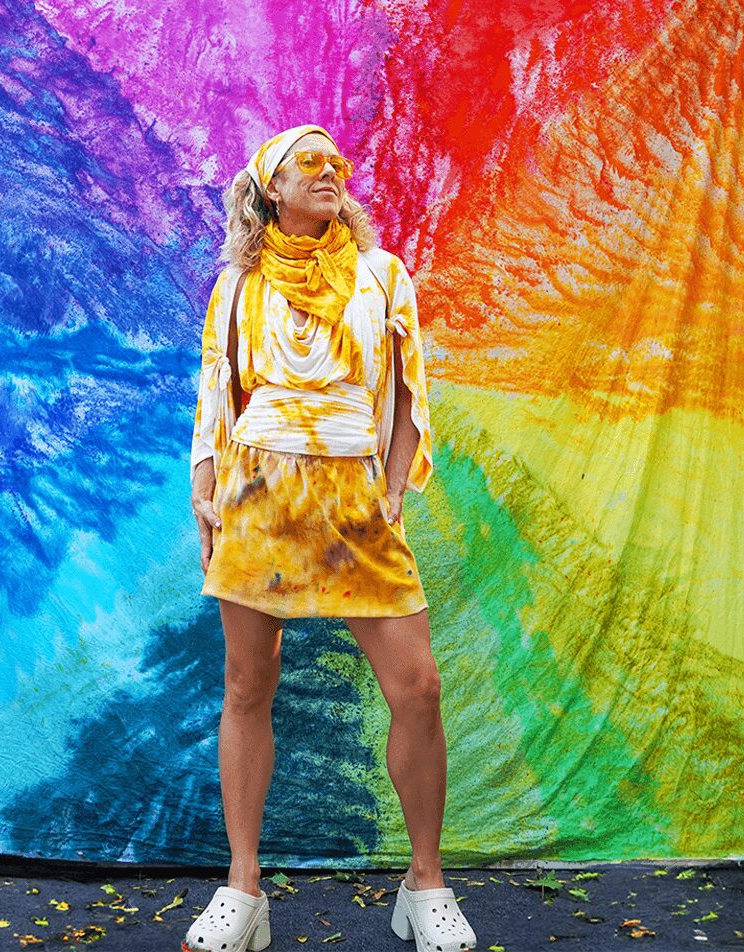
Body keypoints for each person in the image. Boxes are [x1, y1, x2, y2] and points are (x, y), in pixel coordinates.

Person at [186, 124, 477, 952]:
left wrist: (389, 492)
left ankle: (425, 884)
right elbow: (216, 392)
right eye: (308, 163)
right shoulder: (238, 285)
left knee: (417, 686)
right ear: (271, 188)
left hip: (352, 500)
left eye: (335, 162)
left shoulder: (383, 275)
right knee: (248, 686)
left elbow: (409, 390)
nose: (330, 172)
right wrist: (204, 493)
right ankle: (243, 892)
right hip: (258, 495)